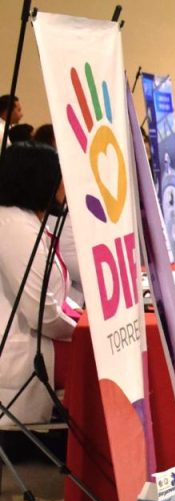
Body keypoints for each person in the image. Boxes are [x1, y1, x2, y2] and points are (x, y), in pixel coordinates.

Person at [0, 143, 79, 427]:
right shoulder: (15, 227)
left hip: (44, 336)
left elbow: (53, 294)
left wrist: (79, 320)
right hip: (27, 348)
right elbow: (39, 311)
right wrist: (81, 331)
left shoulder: (26, 221)